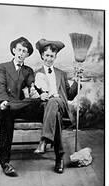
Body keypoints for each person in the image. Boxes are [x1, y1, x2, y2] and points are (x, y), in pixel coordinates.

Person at [0, 37, 42, 177]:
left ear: (27, 55)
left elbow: (32, 86)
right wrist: (3, 101)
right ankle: (5, 163)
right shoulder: (3, 67)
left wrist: (33, 90)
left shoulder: (28, 70)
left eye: (24, 51)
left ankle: (56, 152)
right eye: (19, 50)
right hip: (5, 106)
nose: (21, 53)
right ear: (14, 50)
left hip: (20, 106)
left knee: (42, 105)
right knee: (6, 114)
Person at [33, 39, 80, 174]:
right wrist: (40, 95)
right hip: (46, 108)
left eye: (51, 56)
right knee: (56, 113)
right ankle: (59, 157)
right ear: (42, 55)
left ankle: (44, 140)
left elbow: (70, 96)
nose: (49, 58)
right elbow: (35, 93)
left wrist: (77, 81)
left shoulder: (61, 74)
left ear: (55, 57)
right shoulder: (37, 73)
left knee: (55, 100)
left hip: (61, 104)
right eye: (46, 55)